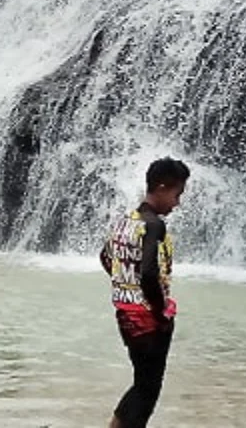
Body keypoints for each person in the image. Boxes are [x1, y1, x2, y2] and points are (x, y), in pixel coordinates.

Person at [99, 157, 190, 428]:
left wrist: (124, 286)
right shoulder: (154, 225)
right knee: (148, 390)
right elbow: (149, 272)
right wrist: (160, 311)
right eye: (177, 194)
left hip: (126, 314)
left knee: (142, 383)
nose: (177, 203)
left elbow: (106, 257)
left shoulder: (125, 221)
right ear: (161, 187)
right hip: (147, 319)